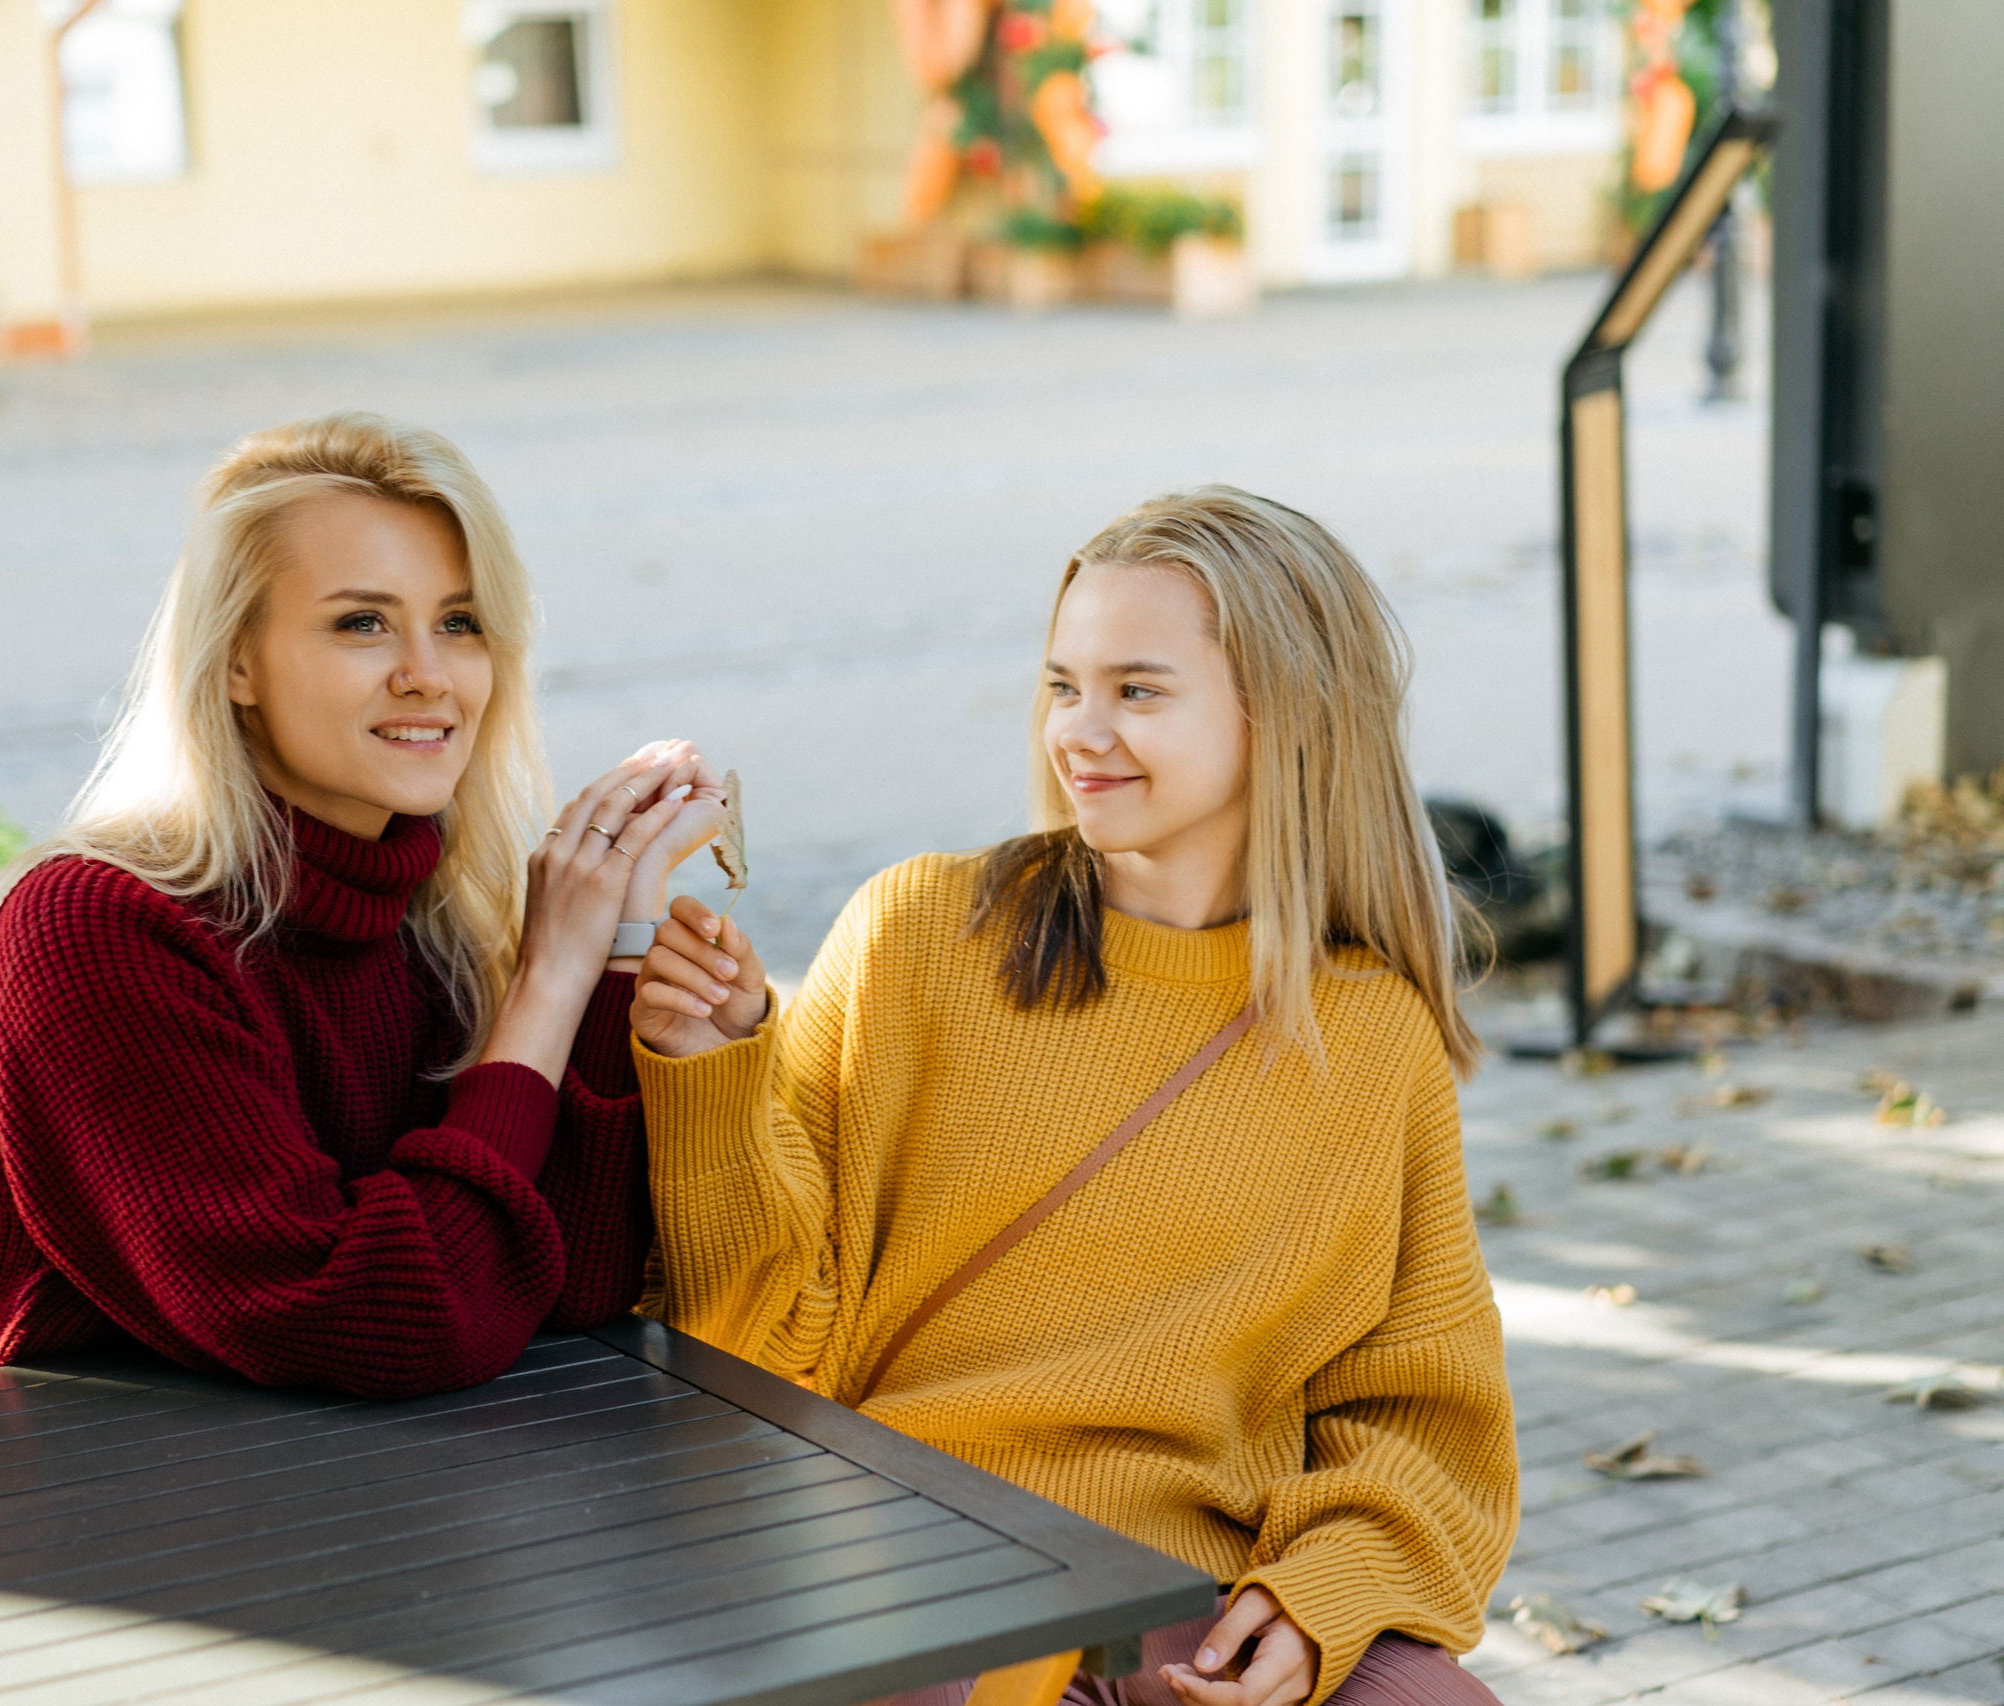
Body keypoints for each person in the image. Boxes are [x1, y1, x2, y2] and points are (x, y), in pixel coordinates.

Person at [630, 489, 1515, 1706]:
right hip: (917, 1554)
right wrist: (710, 1073)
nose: (1079, 732)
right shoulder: (920, 933)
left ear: (1292, 714)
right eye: (1063, 685)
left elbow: (1426, 1422)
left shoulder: (1372, 1037)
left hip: (1183, 1609)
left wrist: (1317, 1600)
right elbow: (764, 1345)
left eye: (1137, 690)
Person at [0, 412, 721, 1399]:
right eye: (362, 621)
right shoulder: (98, 930)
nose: (428, 673)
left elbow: (566, 1280)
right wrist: (550, 976)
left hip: (281, 1495)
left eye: (460, 622)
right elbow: (384, 1320)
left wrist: (616, 953)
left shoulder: (430, 923)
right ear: (234, 662)